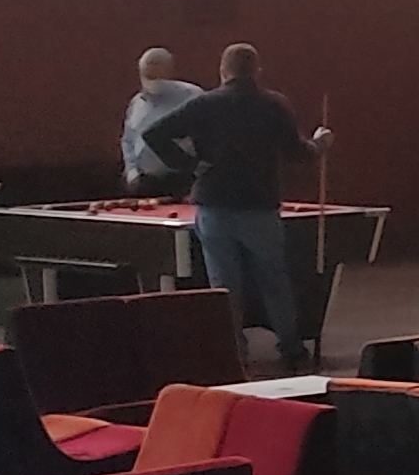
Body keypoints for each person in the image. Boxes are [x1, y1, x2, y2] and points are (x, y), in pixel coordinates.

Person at [138, 44, 335, 371]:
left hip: (213, 205)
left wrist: (190, 165)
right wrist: (321, 142)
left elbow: (153, 134)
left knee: (223, 286)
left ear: (222, 71)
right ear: (257, 71)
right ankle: (291, 348)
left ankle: (233, 350)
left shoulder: (204, 103)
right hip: (259, 206)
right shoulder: (273, 104)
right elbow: (298, 153)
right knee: (274, 280)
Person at [120, 48, 200, 191]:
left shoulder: (191, 96)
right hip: (145, 182)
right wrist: (132, 172)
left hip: (181, 180)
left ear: (170, 71)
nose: (153, 82)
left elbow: (205, 135)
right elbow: (128, 140)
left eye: (157, 76)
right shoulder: (137, 103)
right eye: (148, 76)